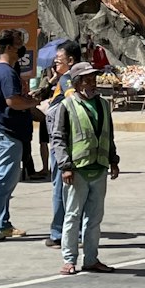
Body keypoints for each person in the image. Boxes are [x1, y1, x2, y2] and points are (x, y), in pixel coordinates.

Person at [49, 61, 120, 274]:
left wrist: (113, 160)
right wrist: (65, 166)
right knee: (72, 215)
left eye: (94, 79)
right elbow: (58, 138)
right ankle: (69, 259)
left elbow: (109, 134)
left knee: (95, 218)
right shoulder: (67, 105)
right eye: (87, 79)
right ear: (78, 83)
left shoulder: (103, 105)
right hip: (77, 170)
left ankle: (91, 259)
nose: (92, 83)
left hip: (99, 168)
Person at [0, 29, 39, 241]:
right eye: (19, 43)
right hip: (7, 134)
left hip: (7, 134)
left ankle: (3, 224)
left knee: (7, 183)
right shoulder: (6, 73)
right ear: (10, 47)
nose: (22, 48)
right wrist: (33, 102)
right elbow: (13, 102)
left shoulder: (3, 71)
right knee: (4, 183)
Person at [41, 39, 80, 249]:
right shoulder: (69, 78)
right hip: (73, 142)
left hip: (63, 143)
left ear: (70, 61)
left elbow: (72, 103)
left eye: (59, 60)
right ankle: (73, 231)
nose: (56, 64)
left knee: (60, 187)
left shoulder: (67, 80)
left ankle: (58, 232)